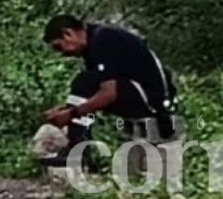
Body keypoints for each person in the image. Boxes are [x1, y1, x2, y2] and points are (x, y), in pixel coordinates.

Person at [41, 15, 178, 166]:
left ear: (68, 34)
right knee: (86, 82)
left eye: (59, 47)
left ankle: (78, 150)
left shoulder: (103, 41)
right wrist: (65, 110)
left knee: (85, 82)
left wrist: (70, 114)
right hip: (138, 93)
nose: (62, 54)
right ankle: (78, 146)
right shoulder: (94, 42)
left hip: (153, 103)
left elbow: (108, 93)